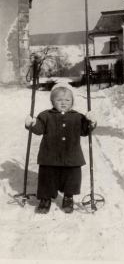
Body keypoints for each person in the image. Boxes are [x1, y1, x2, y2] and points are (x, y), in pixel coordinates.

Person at [25, 82, 97, 214]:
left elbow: (85, 131)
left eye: (67, 100)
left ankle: (68, 198)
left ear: (72, 101)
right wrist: (33, 123)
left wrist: (91, 122)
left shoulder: (78, 116)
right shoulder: (45, 115)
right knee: (47, 177)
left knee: (71, 177)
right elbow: (39, 129)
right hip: (49, 155)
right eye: (59, 100)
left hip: (72, 155)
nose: (63, 103)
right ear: (52, 101)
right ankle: (45, 199)